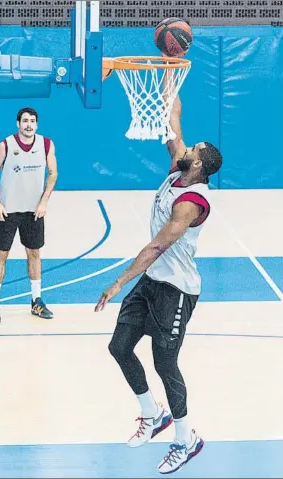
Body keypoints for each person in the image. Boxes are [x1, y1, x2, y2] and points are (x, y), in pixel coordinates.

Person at [95, 90, 223, 474]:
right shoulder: (177, 168)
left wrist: (117, 282)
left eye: (194, 149)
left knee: (166, 363)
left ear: (198, 166)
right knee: (119, 347)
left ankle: (186, 440)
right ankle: (153, 415)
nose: (187, 147)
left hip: (177, 289)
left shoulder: (191, 201)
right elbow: (173, 119)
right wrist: (170, 72)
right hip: (152, 282)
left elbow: (156, 247)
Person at [0, 107, 58, 324]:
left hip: (33, 211)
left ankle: (36, 300)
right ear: (18, 123)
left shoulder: (46, 144)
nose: (29, 124)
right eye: (25, 121)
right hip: (8, 210)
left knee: (34, 253)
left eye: (32, 121)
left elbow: (53, 173)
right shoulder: (5, 145)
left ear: (36, 124)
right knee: (1, 254)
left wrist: (44, 200)